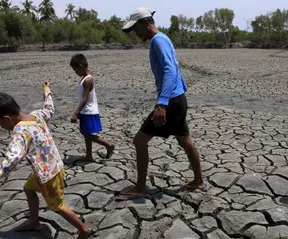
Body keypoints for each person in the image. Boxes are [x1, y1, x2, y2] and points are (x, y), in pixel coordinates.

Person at [0, 82, 93, 239]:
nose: (2, 127)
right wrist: (47, 91)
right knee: (28, 189)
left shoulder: (20, 132)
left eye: (0, 124)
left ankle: (84, 229)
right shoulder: (37, 115)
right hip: (52, 168)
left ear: (7, 118)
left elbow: (14, 158)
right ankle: (34, 222)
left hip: (48, 176)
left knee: (57, 206)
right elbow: (49, 108)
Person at [118, 7, 207, 200]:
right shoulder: (163, 38)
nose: (135, 33)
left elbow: (169, 70)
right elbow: (175, 70)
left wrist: (162, 103)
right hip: (178, 98)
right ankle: (199, 180)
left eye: (136, 28)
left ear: (145, 22)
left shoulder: (158, 41)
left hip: (171, 101)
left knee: (139, 140)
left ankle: (140, 188)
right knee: (184, 140)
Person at [70, 53, 115, 162]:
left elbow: (85, 98)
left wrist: (76, 112)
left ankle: (108, 145)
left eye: (75, 70)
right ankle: (89, 156)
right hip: (85, 111)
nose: (75, 73)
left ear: (81, 66)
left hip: (89, 111)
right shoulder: (84, 78)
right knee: (86, 134)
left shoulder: (87, 80)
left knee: (87, 135)